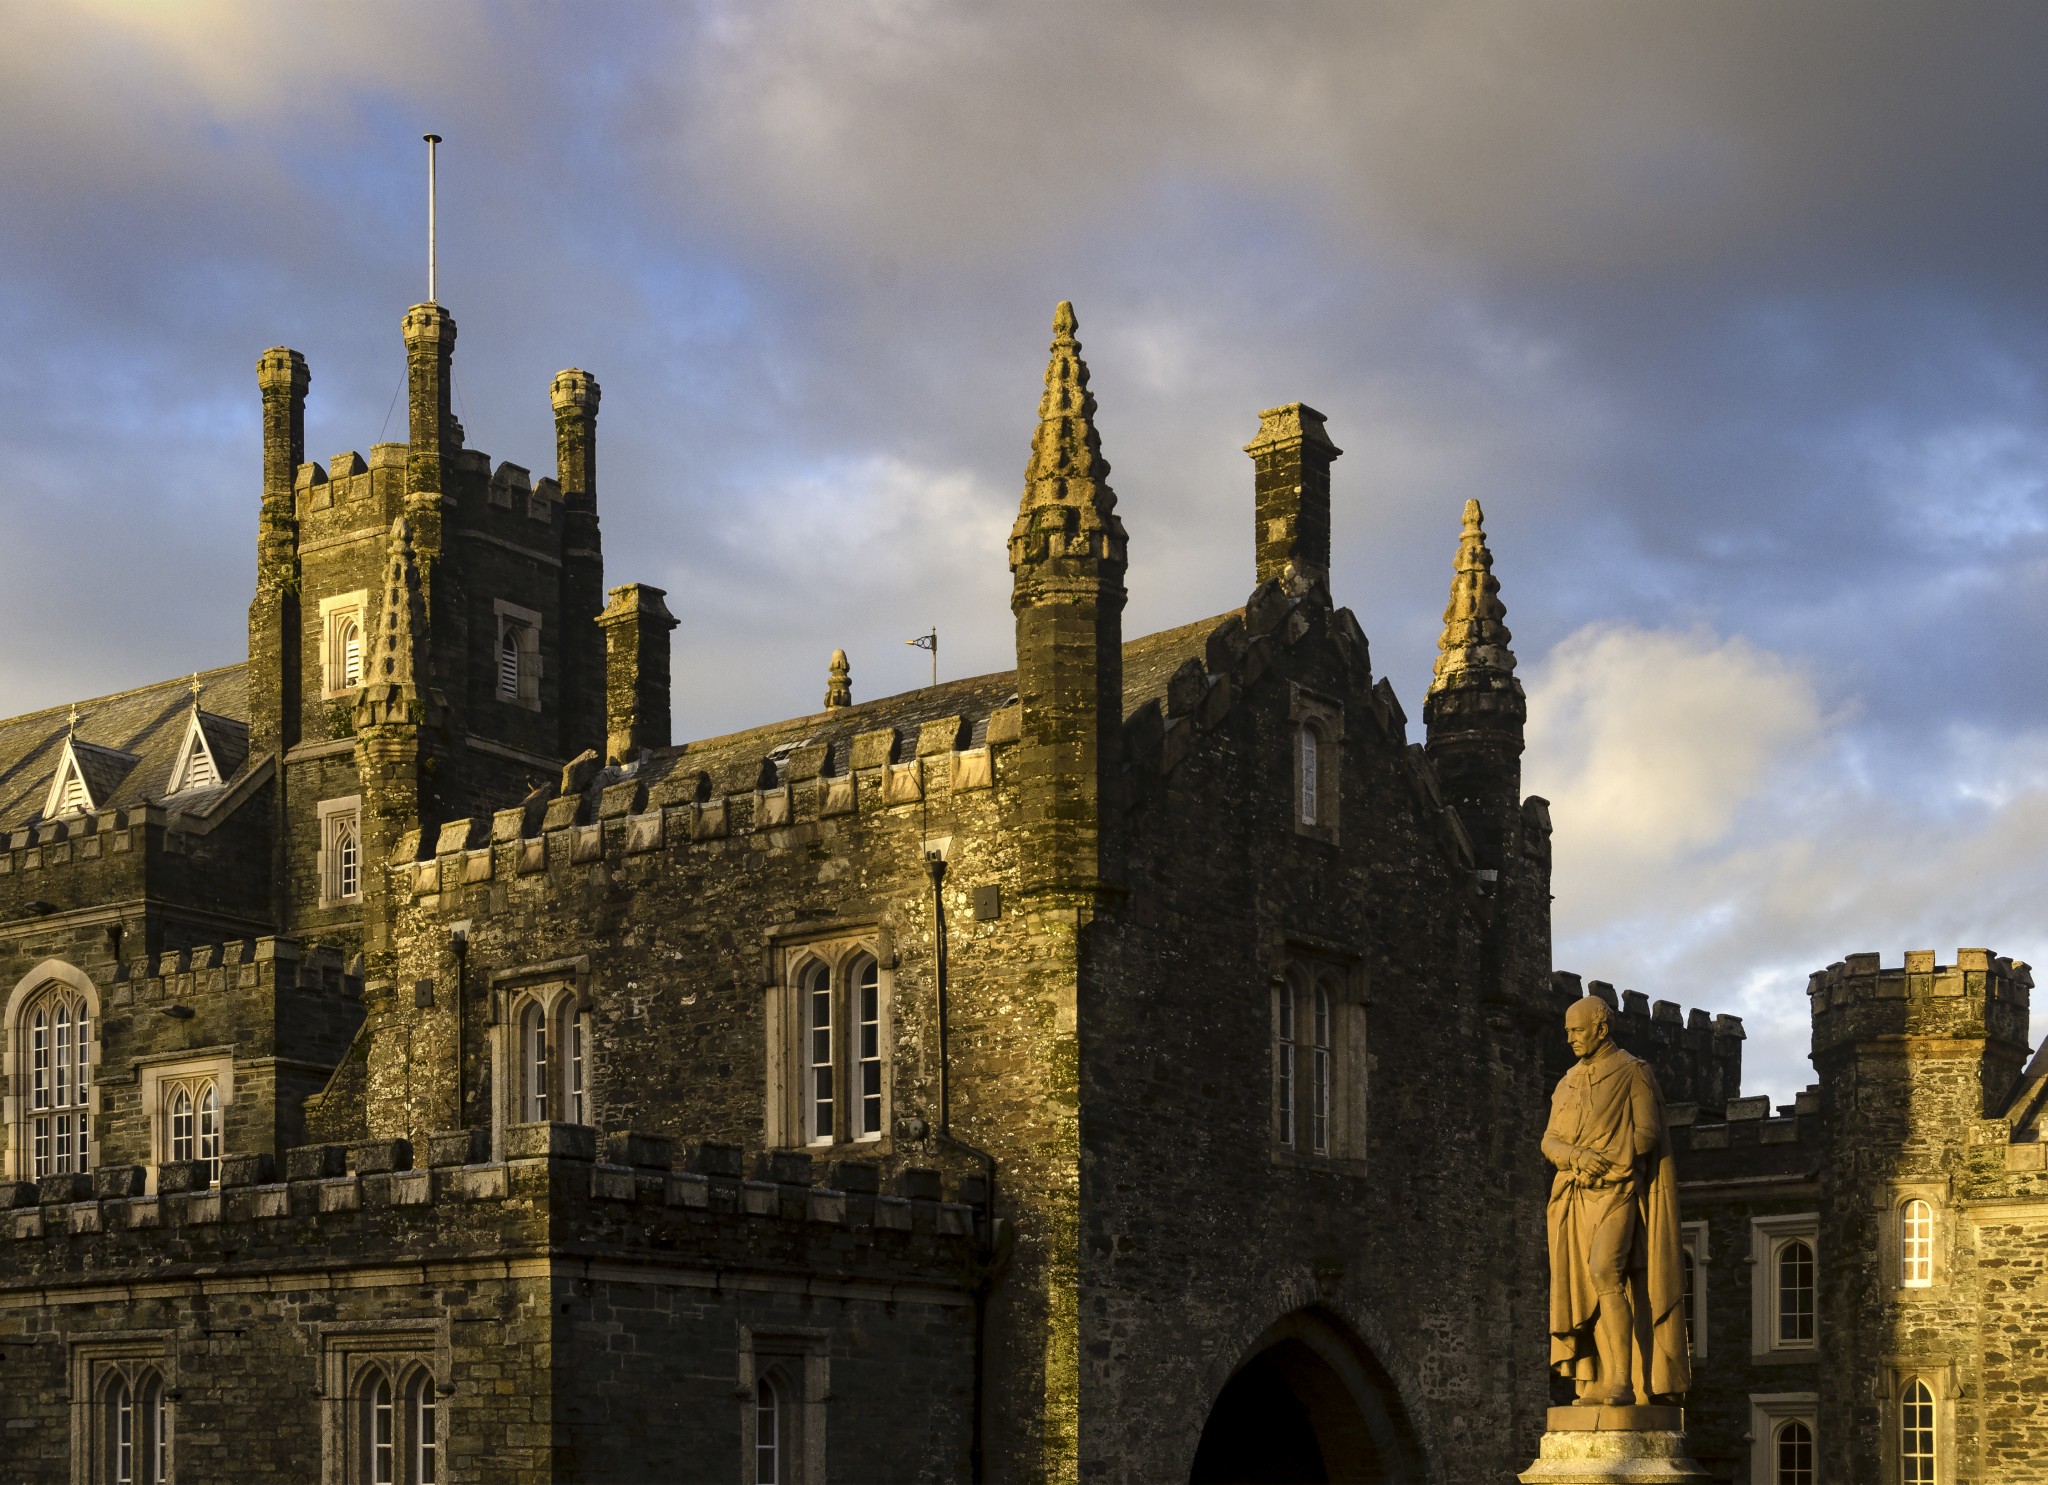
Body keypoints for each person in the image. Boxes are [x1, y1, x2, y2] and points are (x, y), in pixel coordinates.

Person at [1541, 995, 1690, 1406]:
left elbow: (1648, 1133)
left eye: (1577, 1030)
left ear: (1600, 1029)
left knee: (1606, 1273)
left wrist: (1606, 1161)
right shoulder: (1566, 1081)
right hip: (1573, 1196)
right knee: (1591, 1287)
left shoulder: (1633, 1073)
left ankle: (1625, 1381)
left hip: (1618, 1190)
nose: (1569, 1038)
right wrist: (1576, 1156)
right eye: (1567, 1030)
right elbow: (1550, 1139)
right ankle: (1602, 1379)